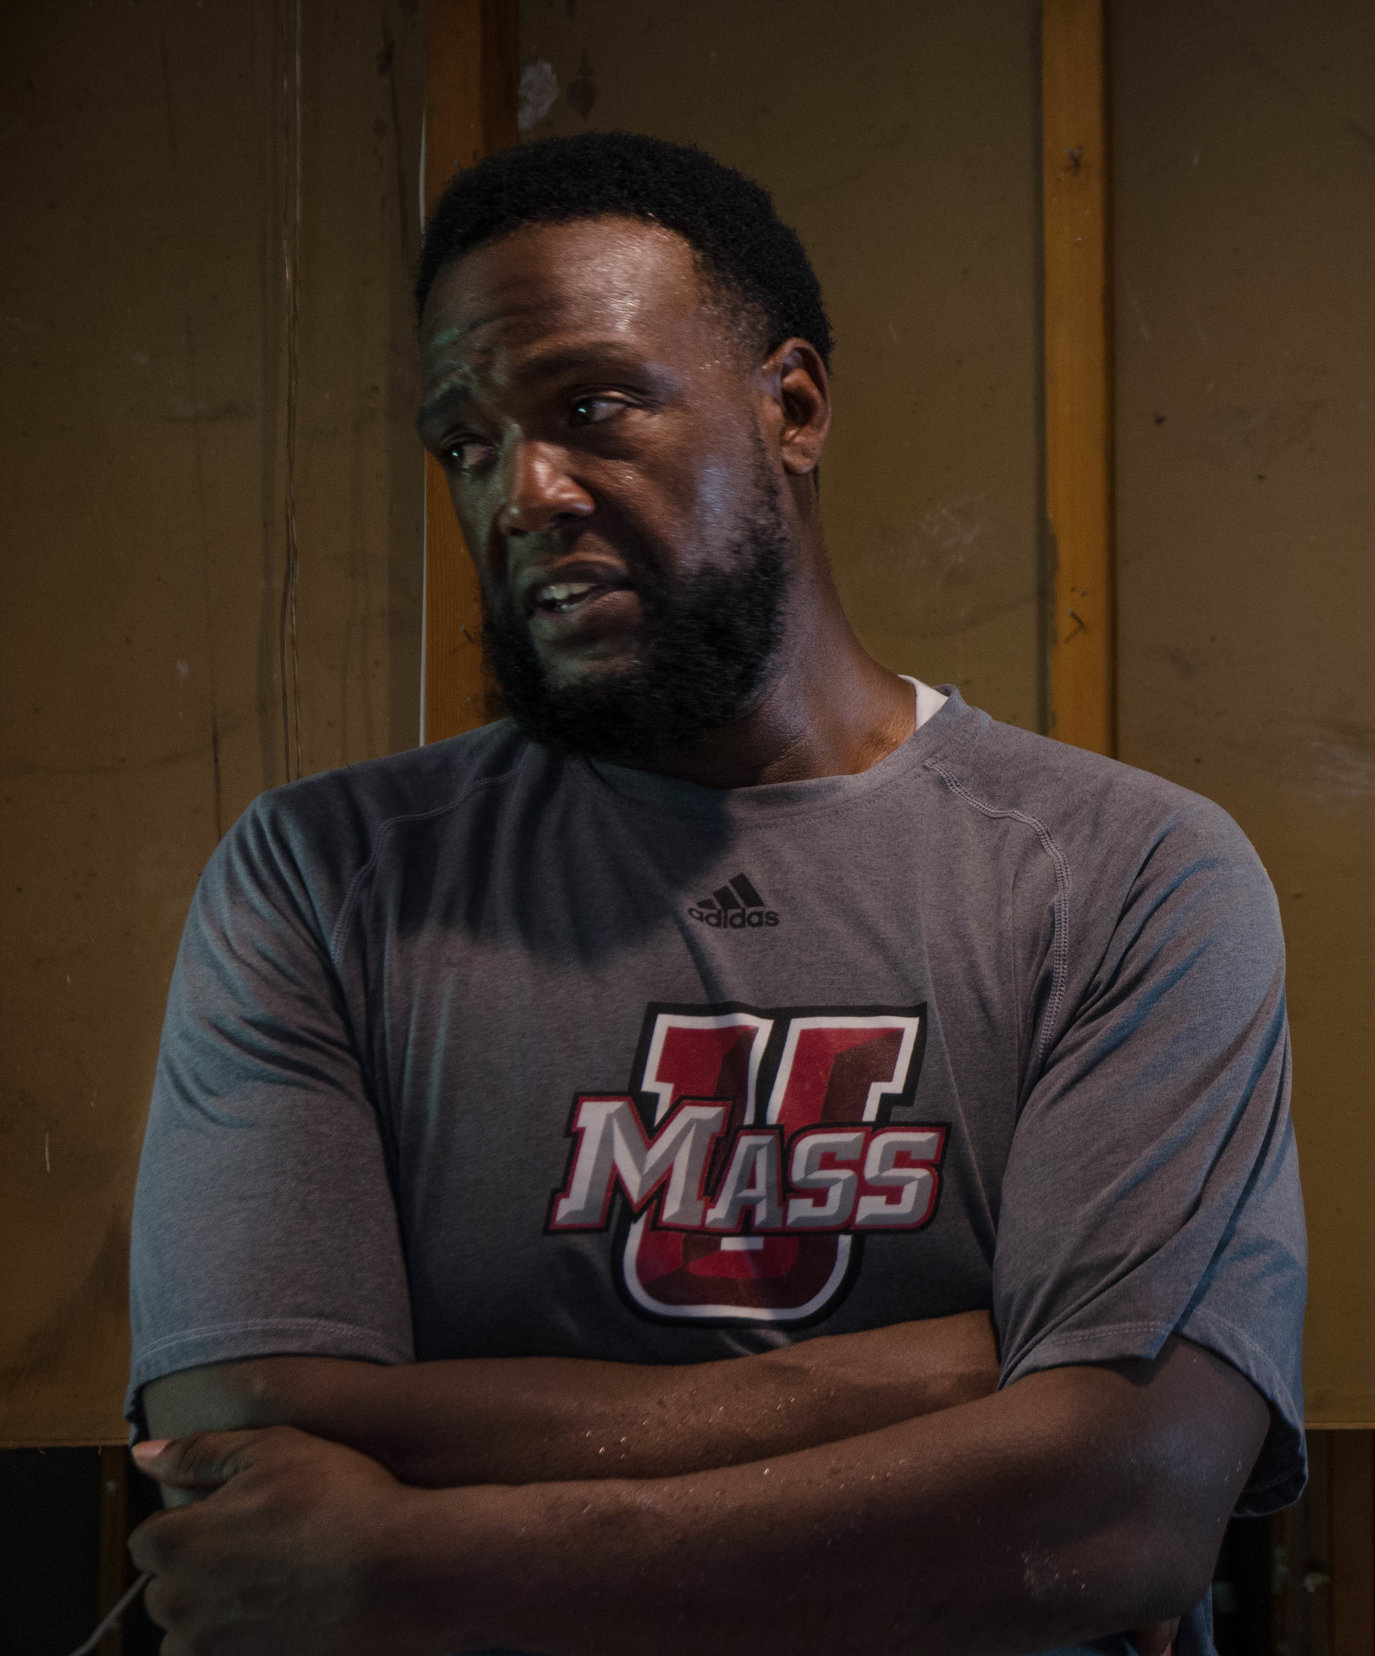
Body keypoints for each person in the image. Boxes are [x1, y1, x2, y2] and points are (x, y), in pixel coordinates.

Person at [123, 131, 1304, 1656]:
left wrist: (413, 1566)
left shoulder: (1126, 875)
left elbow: (1123, 1502)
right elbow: (239, 1425)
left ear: (791, 407)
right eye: (468, 443)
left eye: (592, 407)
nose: (525, 492)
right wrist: (967, 1375)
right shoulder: (326, 883)